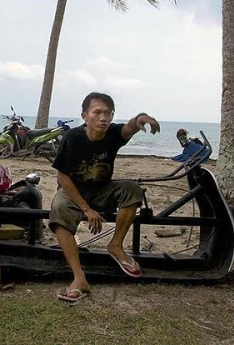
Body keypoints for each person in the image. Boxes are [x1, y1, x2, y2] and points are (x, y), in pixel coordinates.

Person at [50, 92, 160, 303]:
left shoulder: (112, 133)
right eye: (97, 112)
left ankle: (115, 245)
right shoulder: (72, 138)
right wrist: (87, 209)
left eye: (108, 113)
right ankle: (79, 277)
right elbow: (63, 178)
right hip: (73, 190)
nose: (103, 118)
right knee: (59, 209)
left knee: (132, 190)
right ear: (85, 116)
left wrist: (140, 120)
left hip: (101, 189)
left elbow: (127, 128)